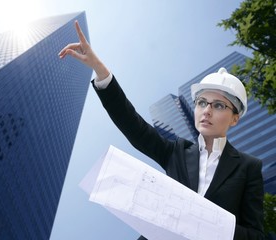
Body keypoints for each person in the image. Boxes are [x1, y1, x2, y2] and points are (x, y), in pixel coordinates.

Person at [59, 21, 264, 240]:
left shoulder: (248, 167)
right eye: (202, 102)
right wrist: (99, 69)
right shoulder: (178, 151)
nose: (206, 111)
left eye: (219, 105)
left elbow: (255, 236)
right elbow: (134, 126)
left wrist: (206, 223)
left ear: (234, 118)